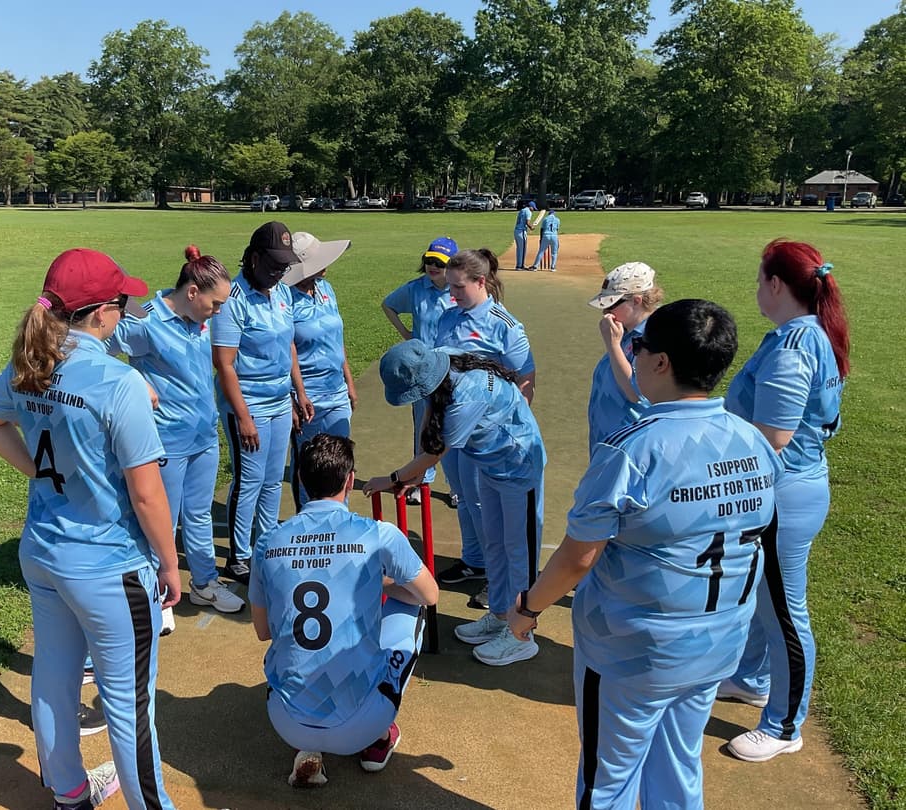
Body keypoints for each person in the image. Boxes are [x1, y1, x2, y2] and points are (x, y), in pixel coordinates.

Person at [508, 299, 782, 810]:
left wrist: (526, 611)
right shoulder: (754, 441)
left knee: (607, 781)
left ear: (661, 363)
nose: (631, 353)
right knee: (678, 769)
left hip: (631, 652)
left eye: (638, 345)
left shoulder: (631, 449)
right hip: (716, 643)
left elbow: (577, 558)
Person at [0, 248, 180, 810]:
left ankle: (67, 792)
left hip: (44, 552)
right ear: (102, 313)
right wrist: (169, 561)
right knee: (128, 705)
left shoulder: (30, 361)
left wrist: (38, 470)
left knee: (54, 680)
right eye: (121, 303)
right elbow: (146, 492)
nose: (126, 310)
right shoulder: (119, 380)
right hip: (108, 564)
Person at [719, 240, 849, 762]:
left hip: (782, 494)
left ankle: (784, 724)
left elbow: (773, 434)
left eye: (758, 280)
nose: (756, 290)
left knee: (786, 614)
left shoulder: (795, 345)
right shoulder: (804, 334)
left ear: (776, 285)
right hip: (792, 487)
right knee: (764, 599)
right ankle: (751, 678)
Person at [250, 434, 439, 788]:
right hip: (359, 725)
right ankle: (379, 737)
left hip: (286, 720)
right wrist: (376, 583)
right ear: (350, 480)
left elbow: (263, 631)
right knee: (410, 605)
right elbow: (430, 594)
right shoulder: (378, 533)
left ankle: (308, 748)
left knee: (290, 653)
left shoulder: (268, 541)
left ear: (301, 481)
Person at [364, 341, 546, 667]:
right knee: (495, 543)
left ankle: (522, 633)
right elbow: (431, 410)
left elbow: (434, 452)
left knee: (519, 550)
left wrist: (393, 478)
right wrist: (411, 473)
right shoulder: (442, 359)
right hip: (490, 466)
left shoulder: (468, 396)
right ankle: (502, 614)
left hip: (520, 466)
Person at [108, 245, 245, 622]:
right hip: (165, 439)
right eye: (215, 304)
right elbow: (96, 346)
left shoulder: (202, 319)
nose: (219, 312)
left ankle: (204, 583)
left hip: (203, 436)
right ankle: (158, 592)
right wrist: (134, 378)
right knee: (161, 520)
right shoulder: (145, 323)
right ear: (192, 293)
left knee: (198, 514)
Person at [433, 248, 536, 607]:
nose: (452, 294)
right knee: (463, 499)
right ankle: (475, 562)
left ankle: (499, 583)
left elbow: (526, 379)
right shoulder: (448, 317)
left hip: (489, 437)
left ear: (481, 281)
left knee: (484, 508)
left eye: (459, 287)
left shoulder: (503, 324)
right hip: (454, 423)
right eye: (450, 287)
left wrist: (502, 426)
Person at [211, 221, 311, 584]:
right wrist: (243, 417)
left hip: (280, 400)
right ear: (253, 258)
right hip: (248, 402)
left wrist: (298, 392)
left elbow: (289, 345)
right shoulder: (232, 300)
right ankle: (239, 557)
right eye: (272, 265)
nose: (278, 272)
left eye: (284, 266)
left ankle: (265, 546)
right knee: (248, 480)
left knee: (272, 481)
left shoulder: (282, 293)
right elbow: (224, 363)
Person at [380, 236, 459, 505]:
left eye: (439, 262)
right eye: (429, 261)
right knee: (423, 427)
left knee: (453, 426)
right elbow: (388, 305)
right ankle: (420, 479)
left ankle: (456, 486)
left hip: (452, 370)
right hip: (421, 372)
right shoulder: (415, 289)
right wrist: (407, 334)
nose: (432, 266)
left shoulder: (459, 290)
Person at [284, 231, 355, 511]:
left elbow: (337, 338)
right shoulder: (285, 297)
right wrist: (297, 394)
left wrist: (348, 380)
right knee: (310, 466)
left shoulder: (326, 289)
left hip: (336, 392)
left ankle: (340, 518)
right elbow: (286, 348)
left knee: (342, 461)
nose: (326, 266)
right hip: (307, 398)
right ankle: (308, 524)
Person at [586, 262, 664, 454]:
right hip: (609, 442)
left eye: (612, 304)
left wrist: (612, 345)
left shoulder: (654, 337)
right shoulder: (626, 332)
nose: (606, 311)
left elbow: (637, 393)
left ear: (637, 300)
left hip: (630, 447)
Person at [530, 207, 560, 271]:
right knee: (554, 252)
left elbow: (542, 229)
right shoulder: (557, 219)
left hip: (546, 235)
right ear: (554, 214)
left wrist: (541, 239)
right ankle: (553, 267)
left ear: (549, 214)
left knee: (541, 251)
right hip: (554, 236)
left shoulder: (545, 219)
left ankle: (535, 266)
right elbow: (557, 229)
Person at [513, 200, 536, 270]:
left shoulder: (522, 210)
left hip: (516, 231)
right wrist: (531, 227)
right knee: (523, 249)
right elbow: (527, 222)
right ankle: (520, 266)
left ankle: (518, 265)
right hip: (521, 231)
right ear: (530, 207)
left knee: (519, 249)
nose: (533, 210)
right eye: (533, 208)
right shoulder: (528, 211)